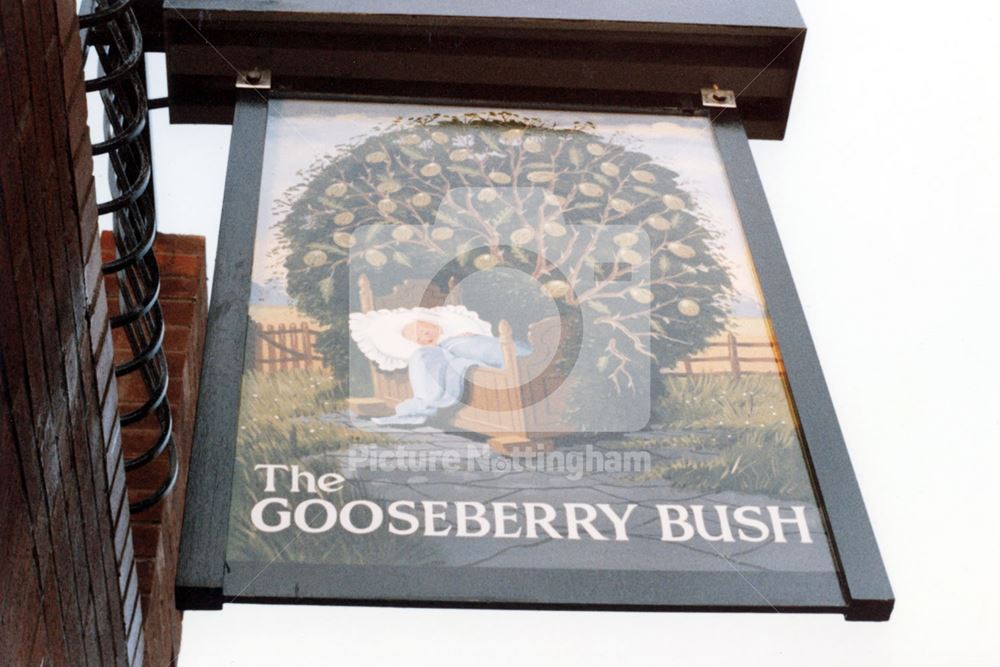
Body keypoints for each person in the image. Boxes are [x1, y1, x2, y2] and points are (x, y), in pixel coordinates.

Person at [371, 318, 531, 425]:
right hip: (455, 347)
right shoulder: (436, 350)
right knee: (481, 352)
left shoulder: (455, 336)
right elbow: (446, 358)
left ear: (437, 328)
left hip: (466, 343)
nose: (424, 338)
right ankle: (515, 361)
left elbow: (479, 343)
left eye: (425, 332)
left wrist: (470, 336)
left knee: (486, 347)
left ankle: (523, 356)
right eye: (417, 339)